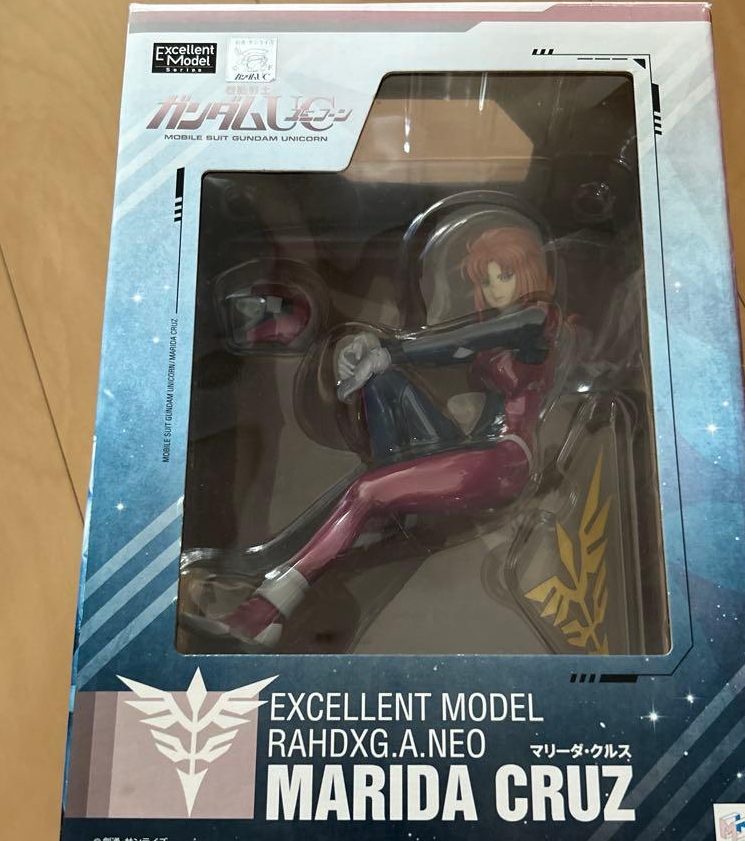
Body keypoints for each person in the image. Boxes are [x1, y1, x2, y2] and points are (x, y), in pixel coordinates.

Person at [204, 223, 561, 649]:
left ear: (529, 272)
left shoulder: (538, 320)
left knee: (366, 491)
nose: (495, 288)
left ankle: (266, 611)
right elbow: (457, 348)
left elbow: (462, 341)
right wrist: (370, 354)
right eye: (486, 280)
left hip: (503, 462)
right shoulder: (498, 331)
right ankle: (390, 506)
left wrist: (389, 350)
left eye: (505, 275)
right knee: (384, 382)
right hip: (470, 451)